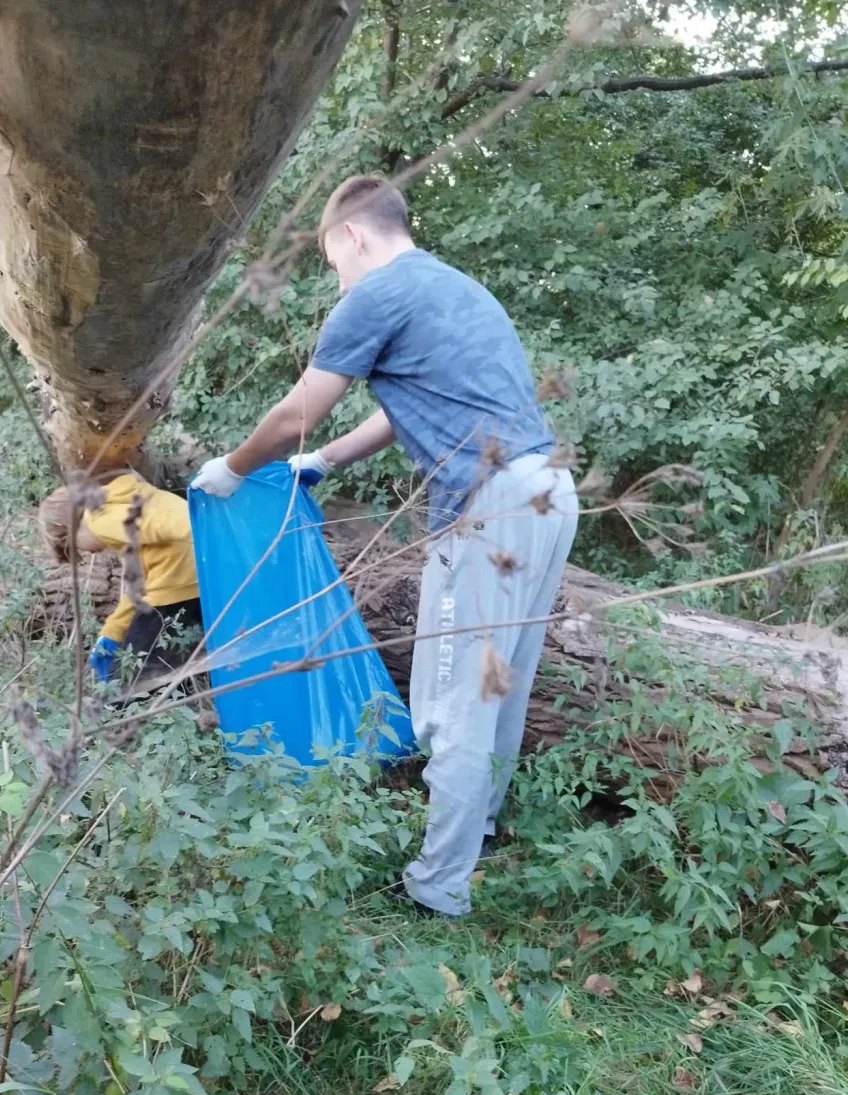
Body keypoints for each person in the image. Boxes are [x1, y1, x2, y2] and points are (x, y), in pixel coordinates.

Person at [192, 175, 578, 918]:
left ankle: (438, 887)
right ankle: (478, 832)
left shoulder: (374, 294)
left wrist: (235, 468)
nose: (336, 278)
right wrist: (326, 459)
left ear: (352, 235)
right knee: (500, 685)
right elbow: (406, 409)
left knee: (452, 706)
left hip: (488, 506)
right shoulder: (457, 290)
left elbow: (297, 409)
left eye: (332, 261)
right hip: (548, 492)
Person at [39, 470, 203, 691]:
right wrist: (111, 632)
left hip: (177, 588)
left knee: (130, 680)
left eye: (75, 546)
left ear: (74, 527)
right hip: (193, 582)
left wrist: (204, 534)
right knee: (168, 666)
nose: (88, 553)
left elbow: (168, 523)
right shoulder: (125, 502)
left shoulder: (100, 520)